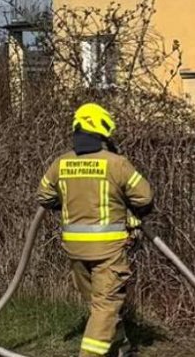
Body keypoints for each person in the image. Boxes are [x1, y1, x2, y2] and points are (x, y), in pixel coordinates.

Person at [37, 103, 153, 357]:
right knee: (106, 306)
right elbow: (145, 198)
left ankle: (120, 347)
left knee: (99, 306)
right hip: (109, 251)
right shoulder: (116, 163)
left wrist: (67, 201)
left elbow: (44, 196)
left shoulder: (61, 163)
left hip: (75, 251)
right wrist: (128, 213)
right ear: (102, 130)